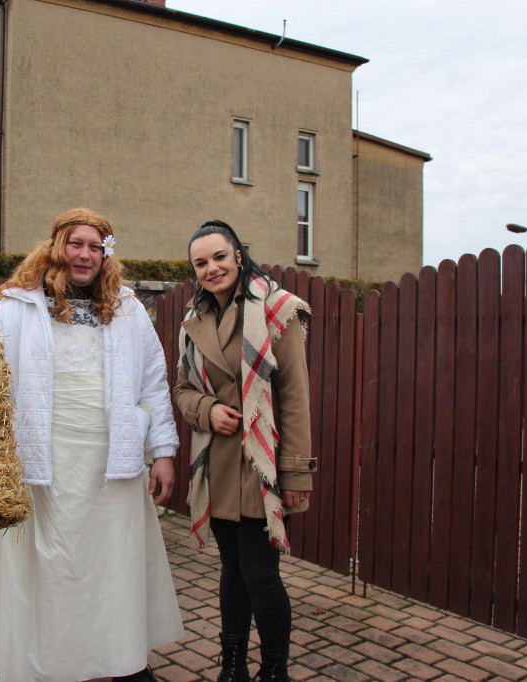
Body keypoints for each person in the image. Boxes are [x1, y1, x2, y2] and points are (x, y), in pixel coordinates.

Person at [0, 208, 184, 682]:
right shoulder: (18, 306)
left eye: (95, 246)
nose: (85, 255)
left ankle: (114, 658)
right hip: (43, 461)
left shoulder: (128, 309)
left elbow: (153, 383)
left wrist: (163, 451)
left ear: (106, 253)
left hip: (110, 463)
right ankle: (46, 663)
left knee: (108, 570)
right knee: (48, 571)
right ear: (58, 245)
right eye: (77, 244)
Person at [173, 220, 316, 682]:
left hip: (263, 463)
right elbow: (181, 390)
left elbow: (295, 396)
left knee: (260, 573)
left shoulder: (279, 310)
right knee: (232, 570)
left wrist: (295, 475)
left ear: (238, 254)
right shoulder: (193, 321)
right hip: (218, 464)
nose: (211, 268)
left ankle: (274, 668)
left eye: (219, 256)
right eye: (201, 262)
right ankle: (233, 663)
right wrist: (208, 409)